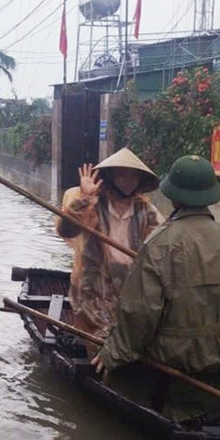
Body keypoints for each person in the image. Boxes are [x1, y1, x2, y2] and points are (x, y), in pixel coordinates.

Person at [90, 155, 220, 421]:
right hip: (214, 357)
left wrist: (113, 353)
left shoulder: (158, 244)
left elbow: (140, 314)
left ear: (174, 198)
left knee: (115, 369)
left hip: (165, 361)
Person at [56, 147, 164, 344]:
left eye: (133, 176)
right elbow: (67, 230)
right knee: (101, 339)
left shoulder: (145, 209)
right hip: (94, 287)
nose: (128, 181)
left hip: (130, 287)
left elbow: (162, 242)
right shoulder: (93, 205)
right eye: (122, 175)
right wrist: (84, 198)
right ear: (110, 176)